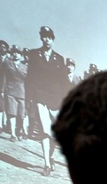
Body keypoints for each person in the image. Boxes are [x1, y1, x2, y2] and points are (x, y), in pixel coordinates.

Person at [25, 26, 67, 175]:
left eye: (49, 37)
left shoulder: (59, 59)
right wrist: (28, 98)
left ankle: (50, 156)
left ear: (53, 40)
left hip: (55, 98)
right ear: (41, 38)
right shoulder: (34, 55)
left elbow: (63, 82)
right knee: (44, 130)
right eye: (44, 36)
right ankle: (47, 164)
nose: (46, 40)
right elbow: (29, 78)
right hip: (39, 96)